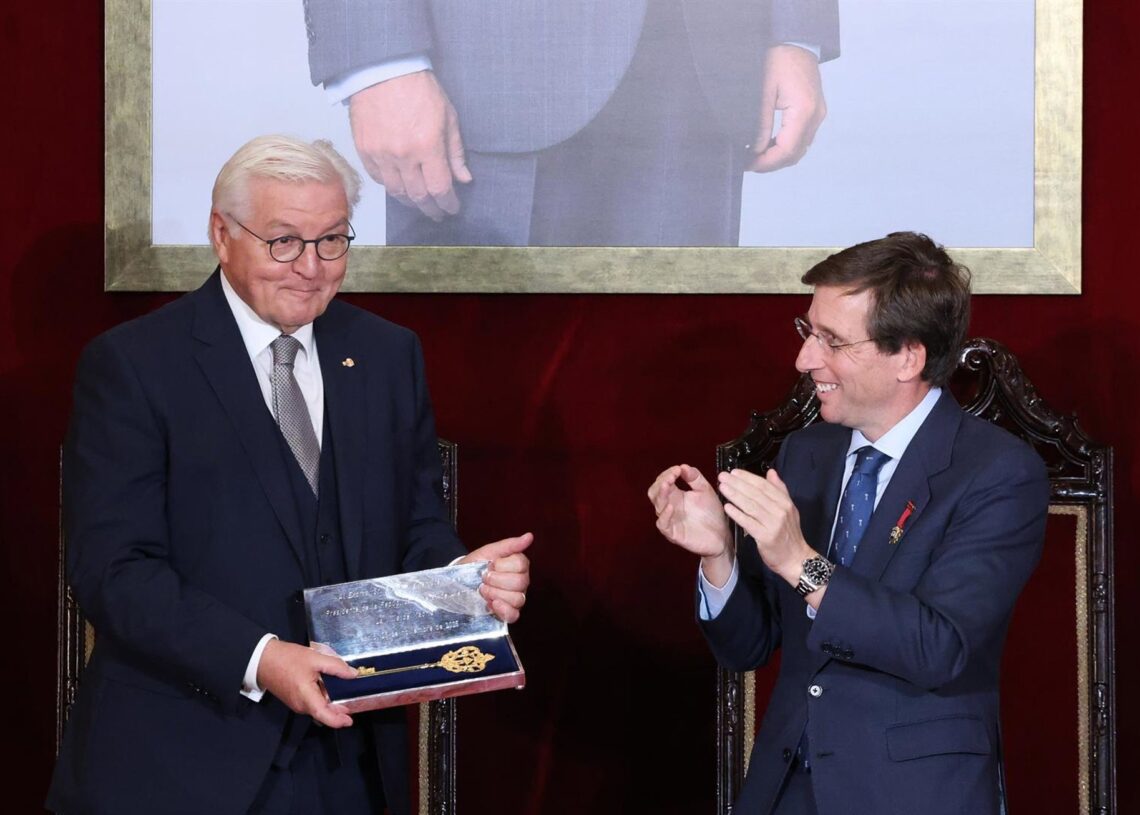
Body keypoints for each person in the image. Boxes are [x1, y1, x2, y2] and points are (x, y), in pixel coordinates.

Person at [47, 135, 532, 815]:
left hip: (350, 764)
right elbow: (114, 570)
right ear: (222, 234)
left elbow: (416, 524)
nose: (310, 267)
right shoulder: (135, 365)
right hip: (182, 762)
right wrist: (262, 658)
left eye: (331, 240)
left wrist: (463, 581)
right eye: (284, 242)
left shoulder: (387, 354)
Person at [648, 232, 1048, 814]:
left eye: (832, 341)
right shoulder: (806, 454)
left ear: (908, 357)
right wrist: (719, 556)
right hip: (786, 791)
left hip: (910, 796)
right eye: (807, 331)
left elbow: (939, 646)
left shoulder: (997, 473)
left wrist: (800, 563)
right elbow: (748, 646)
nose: (805, 359)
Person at [303, 0, 839, 246]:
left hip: (697, 53)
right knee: (475, 388)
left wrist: (796, 28)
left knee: (676, 386)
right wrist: (379, 59)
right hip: (483, 66)